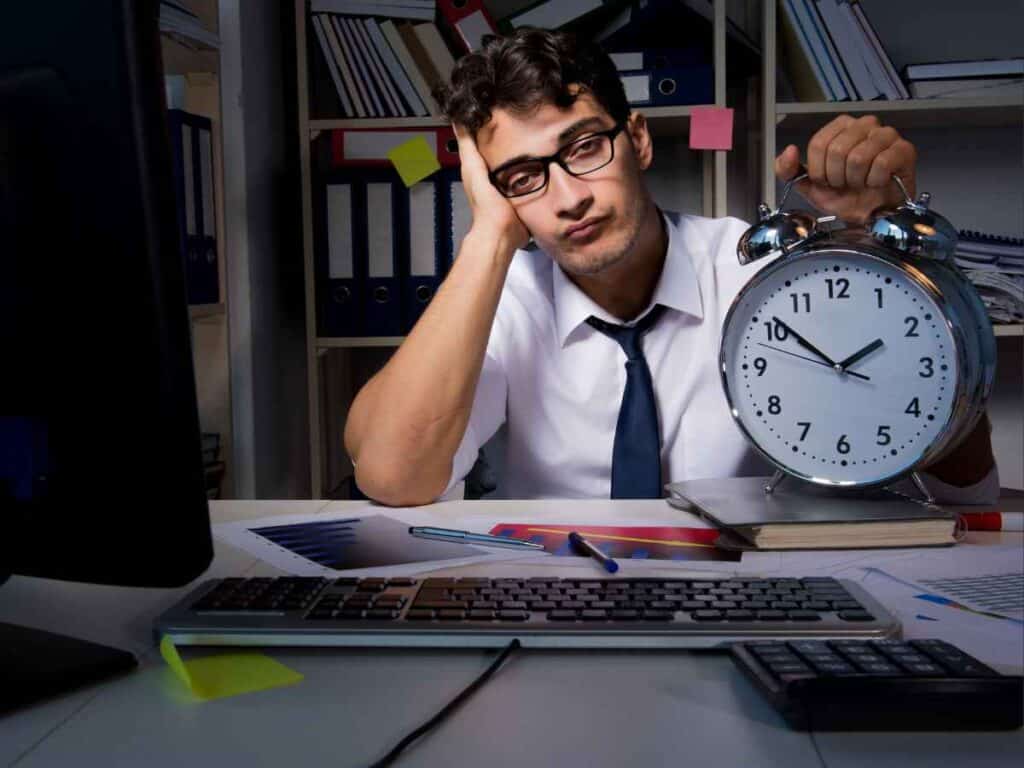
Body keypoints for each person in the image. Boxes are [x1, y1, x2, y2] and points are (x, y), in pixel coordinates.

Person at [344, 28, 997, 506]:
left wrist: (890, 263)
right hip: (560, 614)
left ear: (640, 139)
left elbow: (961, 486)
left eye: (585, 147)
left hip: (755, 596)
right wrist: (488, 235)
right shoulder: (506, 299)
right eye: (523, 176)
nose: (569, 197)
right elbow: (395, 476)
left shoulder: (770, 281)